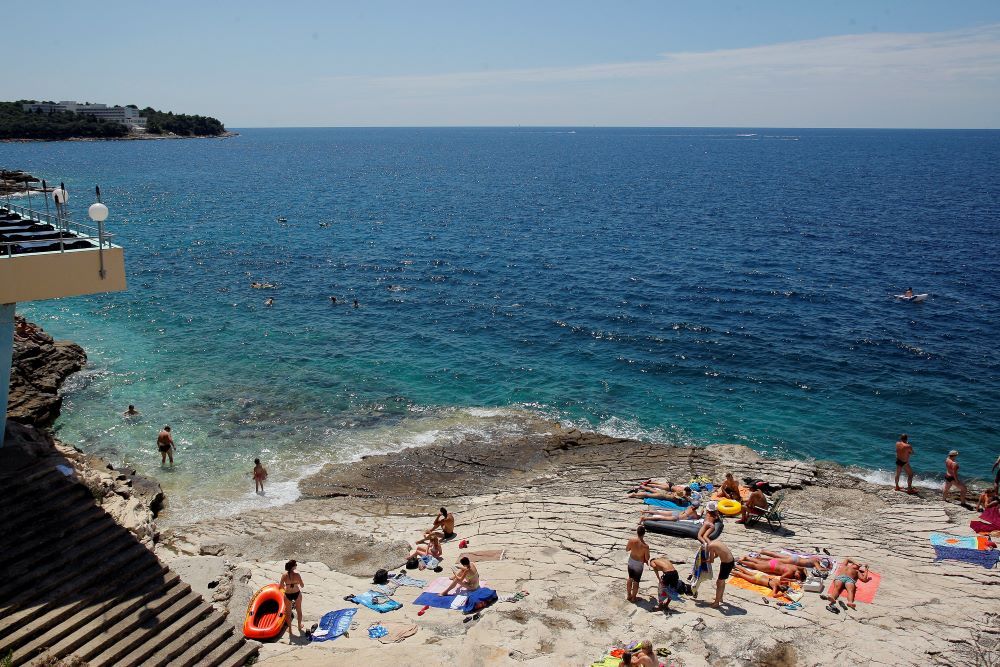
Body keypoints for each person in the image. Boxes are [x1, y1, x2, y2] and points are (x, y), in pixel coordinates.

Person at [705, 539, 735, 608]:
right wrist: (712, 557)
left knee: (719, 582)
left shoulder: (710, 547)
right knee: (722, 581)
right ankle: (720, 598)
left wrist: (705, 560)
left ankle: (716, 603)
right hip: (728, 561)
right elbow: (717, 555)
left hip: (727, 564)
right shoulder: (715, 542)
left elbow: (711, 561)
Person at [625, 525, 650, 603]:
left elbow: (627, 549)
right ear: (644, 534)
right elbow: (647, 558)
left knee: (630, 577)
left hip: (631, 561)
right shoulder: (645, 546)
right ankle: (633, 598)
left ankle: (629, 595)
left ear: (637, 532)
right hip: (639, 564)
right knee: (636, 581)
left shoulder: (631, 540)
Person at [280, 560, 305, 636]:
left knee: (288, 612)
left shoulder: (284, 575)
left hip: (288, 594)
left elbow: (281, 586)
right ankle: (299, 626)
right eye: (295, 565)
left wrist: (287, 586)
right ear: (293, 567)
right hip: (296, 593)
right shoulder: (297, 575)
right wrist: (296, 583)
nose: (296, 566)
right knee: (299, 610)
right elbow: (302, 585)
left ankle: (290, 629)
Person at [738, 555, 807, 581]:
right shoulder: (790, 573)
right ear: (800, 573)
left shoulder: (796, 568)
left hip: (775, 562)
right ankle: (741, 561)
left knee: (759, 562)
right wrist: (792, 580)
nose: (796, 578)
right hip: (772, 567)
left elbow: (804, 569)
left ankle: (747, 557)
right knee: (755, 566)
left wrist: (806, 575)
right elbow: (782, 578)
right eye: (798, 577)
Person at [757, 549, 832, 571]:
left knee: (776, 555)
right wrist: (827, 569)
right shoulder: (816, 562)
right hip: (794, 561)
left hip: (794, 557)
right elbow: (819, 569)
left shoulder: (815, 558)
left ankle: (763, 551)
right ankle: (759, 558)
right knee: (775, 560)